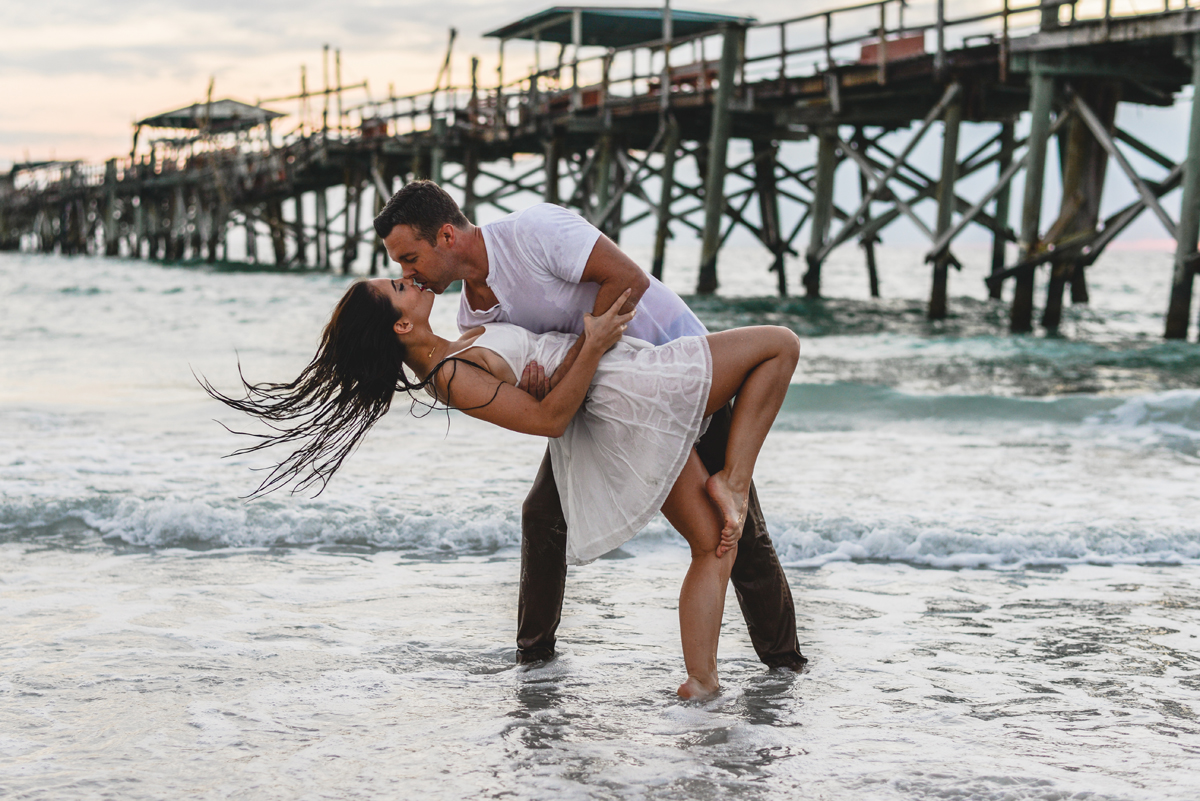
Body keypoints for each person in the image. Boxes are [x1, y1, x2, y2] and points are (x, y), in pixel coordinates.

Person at [205, 272, 799, 698]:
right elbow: (550, 420)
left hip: (620, 403)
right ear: (403, 321)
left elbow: (540, 387)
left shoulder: (456, 346)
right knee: (779, 346)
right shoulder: (451, 376)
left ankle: (701, 682)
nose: (407, 278)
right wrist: (590, 348)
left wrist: (556, 368)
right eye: (396, 286)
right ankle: (734, 484)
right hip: (630, 391)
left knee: (710, 545)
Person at [372, 182, 807, 674]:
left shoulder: (533, 233)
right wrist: (540, 385)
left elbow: (627, 281)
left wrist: (561, 373)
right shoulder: (472, 312)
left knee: (737, 533)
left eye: (409, 258)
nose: (408, 274)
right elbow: (542, 369)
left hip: (669, 369)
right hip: (602, 405)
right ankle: (534, 663)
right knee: (542, 513)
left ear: (446, 236)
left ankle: (785, 665)